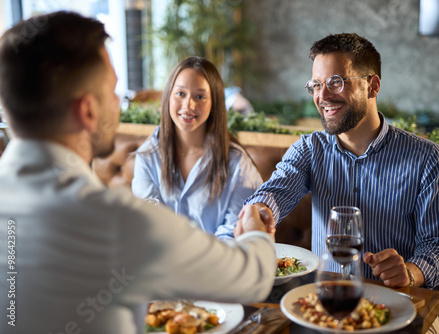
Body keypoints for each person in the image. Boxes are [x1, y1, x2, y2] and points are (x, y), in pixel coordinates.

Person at [0, 11, 275, 334]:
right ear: (89, 111)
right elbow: (251, 276)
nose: (119, 102)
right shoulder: (121, 223)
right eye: (114, 91)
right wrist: (257, 231)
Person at [243, 33, 439, 290]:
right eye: (316, 84)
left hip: (399, 298)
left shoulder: (427, 158)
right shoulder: (309, 149)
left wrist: (410, 273)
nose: (322, 96)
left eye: (336, 82)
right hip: (326, 296)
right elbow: (276, 191)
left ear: (373, 86)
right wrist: (258, 214)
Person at [132, 57, 262, 239]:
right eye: (180, 94)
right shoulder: (149, 155)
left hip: (218, 263)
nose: (188, 105)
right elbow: (149, 222)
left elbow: (235, 230)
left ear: (214, 103)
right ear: (169, 95)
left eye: (200, 97)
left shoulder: (237, 163)